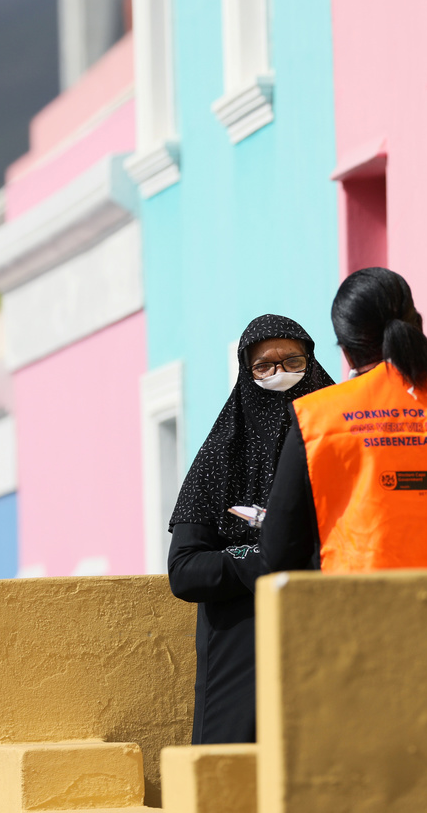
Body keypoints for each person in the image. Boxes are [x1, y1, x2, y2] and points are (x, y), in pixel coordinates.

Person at [262, 267, 427, 574]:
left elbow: (279, 556)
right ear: (418, 326)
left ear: (347, 350)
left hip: (359, 603)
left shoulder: (315, 420)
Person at [167, 314, 335, 743]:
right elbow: (184, 570)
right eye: (264, 366)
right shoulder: (221, 454)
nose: (280, 374)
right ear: (247, 373)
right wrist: (263, 558)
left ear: (312, 363)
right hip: (241, 648)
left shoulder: (341, 440)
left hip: (330, 635)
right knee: (233, 770)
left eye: (292, 361)